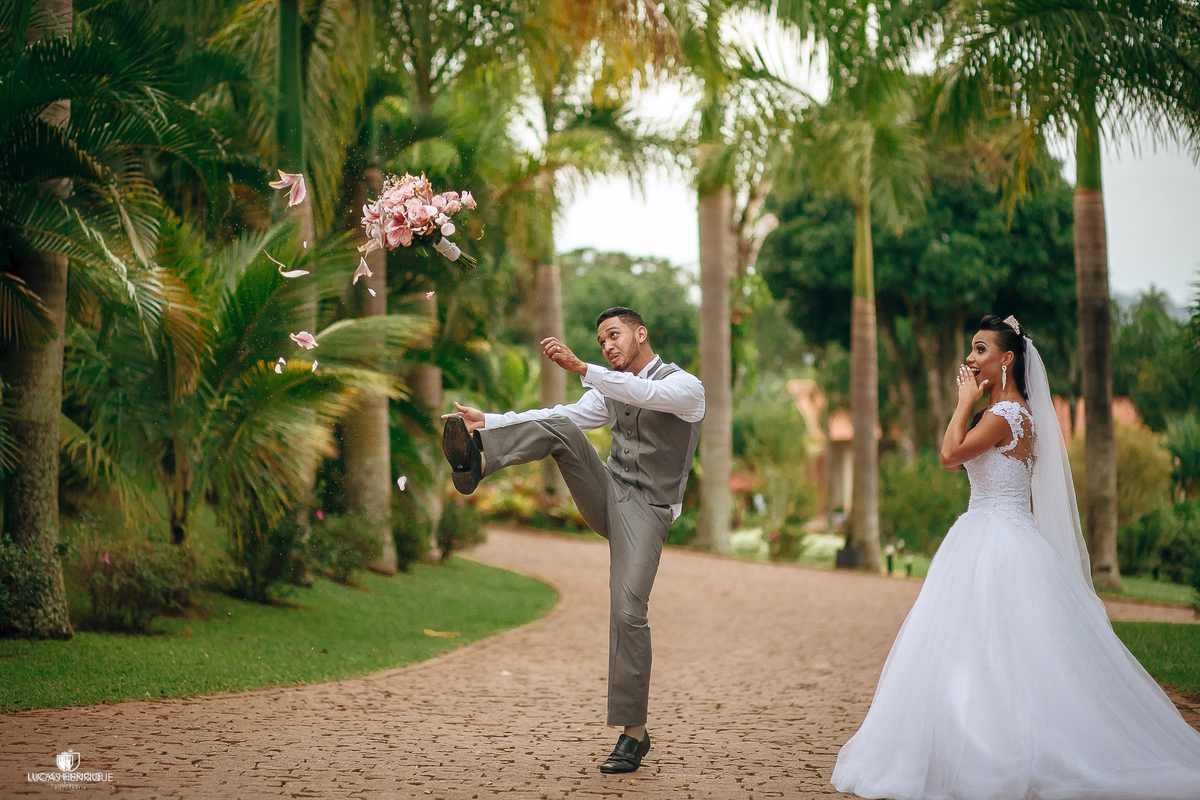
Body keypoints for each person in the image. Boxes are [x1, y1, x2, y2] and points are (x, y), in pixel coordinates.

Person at [832, 314, 1200, 799]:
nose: (970, 358)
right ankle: (993, 745)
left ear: (1007, 359)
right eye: (971, 349)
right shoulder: (1021, 413)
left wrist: (963, 403)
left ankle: (991, 756)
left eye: (980, 350)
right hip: (1010, 535)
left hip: (991, 537)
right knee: (1004, 654)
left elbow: (949, 456)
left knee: (981, 651)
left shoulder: (1002, 416)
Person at [441, 307, 705, 774]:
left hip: (648, 511)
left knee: (628, 610)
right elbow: (561, 415)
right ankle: (480, 462)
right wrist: (493, 421)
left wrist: (586, 369)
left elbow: (645, 393)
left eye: (614, 335)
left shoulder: (685, 388)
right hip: (607, 491)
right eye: (601, 340)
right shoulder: (609, 385)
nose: (607, 345)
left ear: (641, 334)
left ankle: (634, 734)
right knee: (562, 427)